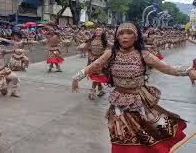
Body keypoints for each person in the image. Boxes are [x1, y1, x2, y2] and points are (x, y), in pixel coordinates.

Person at [72, 22, 196, 153]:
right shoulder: (110, 53)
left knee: (143, 135)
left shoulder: (143, 54)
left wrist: (187, 70)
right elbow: (95, 65)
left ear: (136, 37)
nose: (125, 37)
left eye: (129, 33)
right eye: (121, 33)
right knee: (119, 135)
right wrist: (77, 77)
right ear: (117, 37)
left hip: (138, 101)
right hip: (118, 101)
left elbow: (167, 68)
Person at [83, 27, 112, 99]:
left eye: (100, 30)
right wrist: (87, 52)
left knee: (97, 76)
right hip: (92, 60)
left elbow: (113, 46)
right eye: (96, 30)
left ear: (103, 32)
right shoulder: (91, 40)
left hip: (101, 62)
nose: (98, 31)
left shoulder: (105, 41)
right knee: (96, 76)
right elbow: (85, 48)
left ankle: (92, 91)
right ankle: (101, 89)